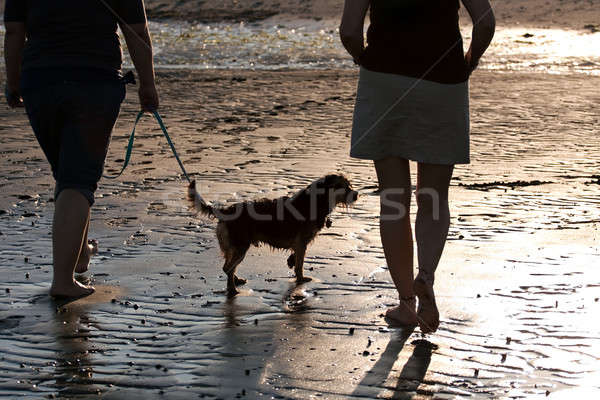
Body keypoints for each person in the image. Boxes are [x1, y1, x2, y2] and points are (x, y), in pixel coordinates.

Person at [340, 0, 495, 333]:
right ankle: (424, 278)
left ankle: (406, 304)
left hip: (384, 80)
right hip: (443, 80)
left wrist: (363, 57)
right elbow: (485, 22)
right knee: (434, 196)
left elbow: (350, 30)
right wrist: (471, 59)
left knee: (394, 199)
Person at [4, 0, 159, 298]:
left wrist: (13, 82)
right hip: (94, 82)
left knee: (68, 172)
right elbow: (136, 31)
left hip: (40, 82)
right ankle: (63, 281)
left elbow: (14, 32)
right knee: (77, 177)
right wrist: (147, 84)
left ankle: (81, 254)